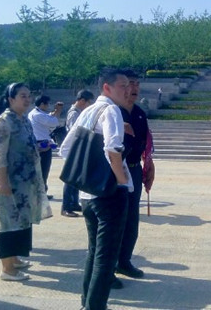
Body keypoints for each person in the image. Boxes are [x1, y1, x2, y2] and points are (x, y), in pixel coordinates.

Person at [60, 68, 132, 310]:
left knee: (94, 253)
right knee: (106, 257)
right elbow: (112, 148)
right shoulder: (111, 110)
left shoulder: (88, 111)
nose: (128, 89)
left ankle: (87, 304)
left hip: (87, 195)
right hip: (110, 193)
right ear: (106, 88)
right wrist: (121, 180)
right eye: (122, 85)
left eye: (129, 85)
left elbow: (65, 150)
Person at [0, 82, 49, 281]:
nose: (27, 99)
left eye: (28, 95)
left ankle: (14, 258)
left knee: (22, 220)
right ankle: (7, 269)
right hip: (10, 183)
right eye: (22, 96)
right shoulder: (3, 122)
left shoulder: (23, 120)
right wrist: (3, 183)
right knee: (8, 222)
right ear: (10, 99)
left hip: (25, 184)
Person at [112, 69, 155, 285]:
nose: (134, 88)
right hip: (115, 170)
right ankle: (107, 268)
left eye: (137, 83)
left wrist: (149, 165)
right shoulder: (113, 112)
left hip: (135, 170)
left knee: (131, 219)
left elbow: (145, 143)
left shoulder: (139, 112)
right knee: (114, 220)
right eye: (130, 83)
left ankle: (124, 261)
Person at [60, 89, 95, 218]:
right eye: (89, 102)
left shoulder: (79, 112)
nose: (90, 105)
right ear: (82, 101)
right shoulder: (74, 113)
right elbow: (74, 132)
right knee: (70, 179)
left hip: (77, 150)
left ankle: (73, 203)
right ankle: (66, 207)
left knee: (75, 180)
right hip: (73, 150)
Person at [28, 95, 63, 199]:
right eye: (47, 104)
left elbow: (50, 117)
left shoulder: (36, 113)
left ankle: (40, 192)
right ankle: (40, 193)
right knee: (43, 169)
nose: (48, 106)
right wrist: (58, 111)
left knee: (41, 170)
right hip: (42, 144)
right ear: (42, 104)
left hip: (40, 143)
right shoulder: (38, 115)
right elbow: (54, 122)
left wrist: (55, 111)